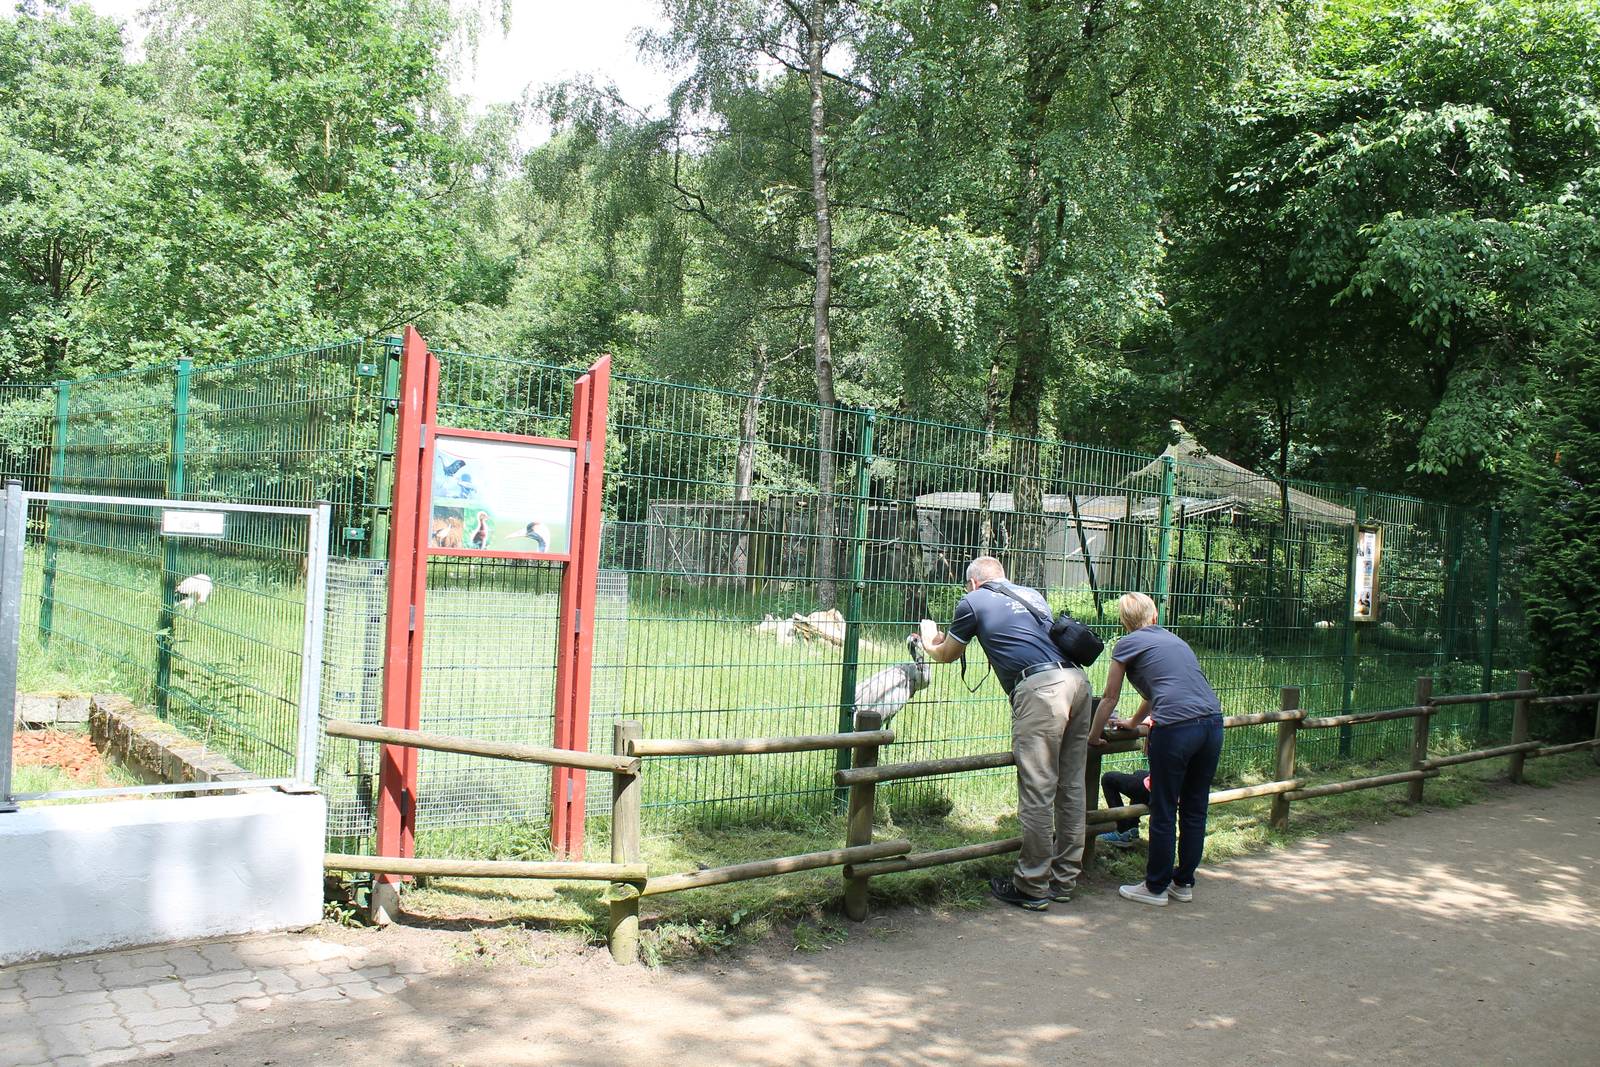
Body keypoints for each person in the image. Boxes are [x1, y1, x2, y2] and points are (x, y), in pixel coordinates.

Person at [921, 556, 1093, 911]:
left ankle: (1032, 884)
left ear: (972, 583)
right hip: (1077, 682)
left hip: (1041, 689)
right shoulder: (1030, 594)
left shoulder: (972, 601)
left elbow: (948, 654)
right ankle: (1064, 880)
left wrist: (926, 641)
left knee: (1038, 788)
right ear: (1002, 577)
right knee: (1072, 786)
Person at [1088, 592, 1223, 907]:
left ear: (1125, 622)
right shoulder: (1175, 641)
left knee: (1164, 809)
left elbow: (1109, 697)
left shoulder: (1126, 644)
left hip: (1176, 729)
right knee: (1194, 808)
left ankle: (1155, 887)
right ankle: (1184, 882)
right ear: (1154, 618)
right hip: (1212, 724)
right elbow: (1160, 686)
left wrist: (1094, 736)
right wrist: (1136, 720)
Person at [1097, 763, 1150, 848]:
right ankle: (1132, 828)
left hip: (1156, 789)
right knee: (1139, 773)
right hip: (1171, 792)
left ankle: (1121, 830)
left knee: (1108, 778)